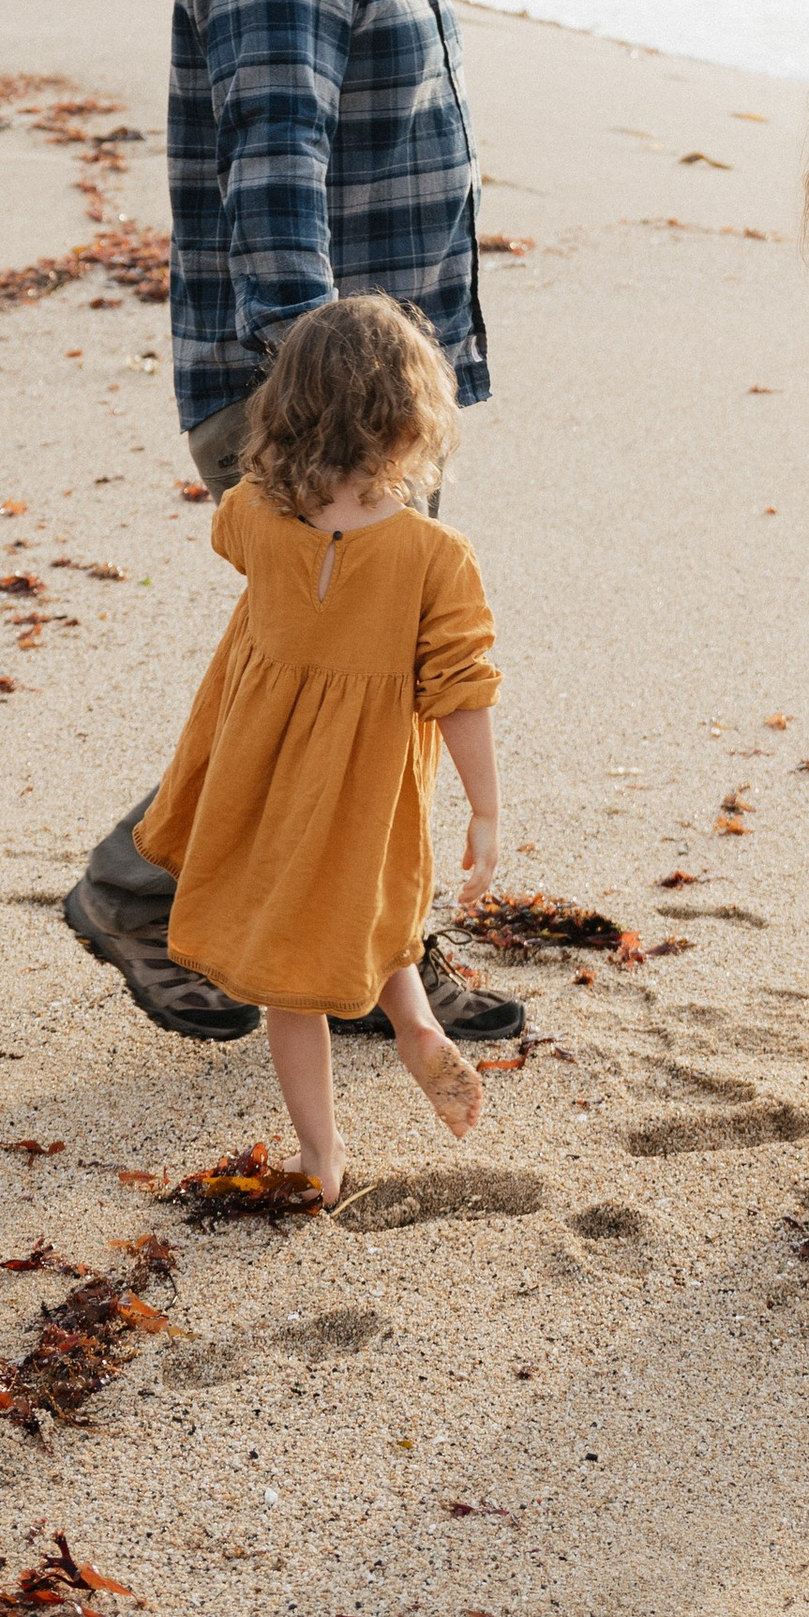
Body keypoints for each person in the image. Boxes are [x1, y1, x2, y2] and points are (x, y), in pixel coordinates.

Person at [62, 0, 523, 1055]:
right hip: (319, 400)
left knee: (325, 687)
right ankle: (167, 900)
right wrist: (329, 421)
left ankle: (343, 946)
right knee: (348, 690)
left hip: (374, 391)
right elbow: (278, 168)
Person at [130, 294, 501, 1204]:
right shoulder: (433, 554)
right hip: (372, 781)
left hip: (260, 769)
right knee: (365, 896)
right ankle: (414, 1026)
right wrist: (486, 809)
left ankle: (323, 1154)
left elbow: (232, 536)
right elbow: (463, 689)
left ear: (284, 405)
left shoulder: (254, 514)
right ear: (414, 419)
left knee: (292, 966)